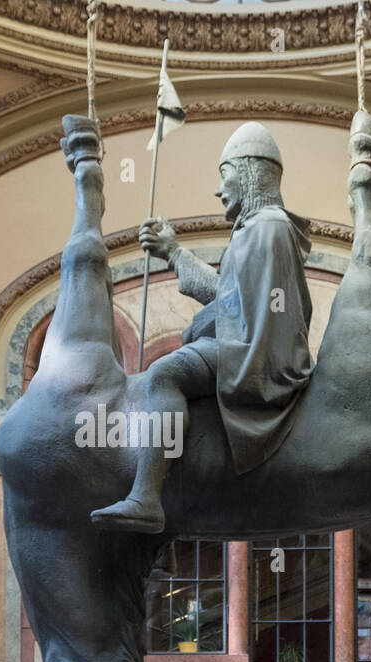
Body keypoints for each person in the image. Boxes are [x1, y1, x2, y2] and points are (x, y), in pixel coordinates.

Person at [90, 122, 314, 533]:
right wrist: (173, 253)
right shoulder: (261, 228)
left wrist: (175, 254)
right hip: (249, 344)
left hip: (257, 355)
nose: (218, 189)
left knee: (164, 374)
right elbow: (231, 296)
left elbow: (237, 304)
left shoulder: (267, 228)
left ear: (247, 172)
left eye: (224, 174)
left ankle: (146, 498)